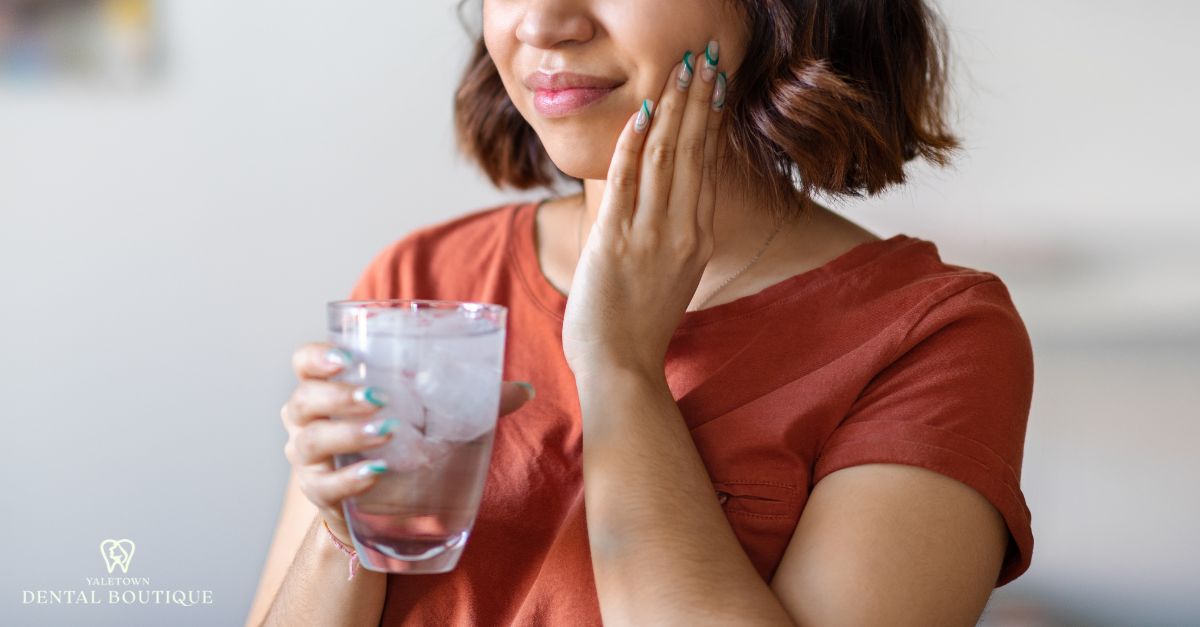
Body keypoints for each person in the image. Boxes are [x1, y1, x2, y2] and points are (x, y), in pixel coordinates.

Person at [247, 0, 1035, 625]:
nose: (543, 22)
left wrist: (618, 363)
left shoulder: (932, 336)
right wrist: (342, 531)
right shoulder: (421, 281)